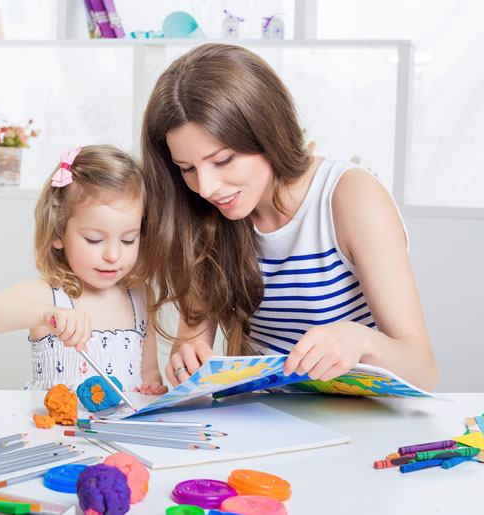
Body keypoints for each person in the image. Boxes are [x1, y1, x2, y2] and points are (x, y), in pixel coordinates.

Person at [139, 43, 438, 391]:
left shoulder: (349, 198)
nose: (205, 187)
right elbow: (190, 359)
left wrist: (363, 341)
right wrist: (187, 363)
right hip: (270, 417)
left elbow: (423, 371)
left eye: (223, 161)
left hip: (364, 418)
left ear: (267, 133)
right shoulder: (205, 215)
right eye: (187, 168)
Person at [0, 145, 168, 395]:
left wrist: (152, 387)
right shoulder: (48, 295)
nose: (113, 255)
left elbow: (149, 373)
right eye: (93, 239)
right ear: (59, 231)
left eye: (128, 240)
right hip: (52, 432)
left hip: (115, 433)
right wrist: (46, 315)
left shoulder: (141, 298)